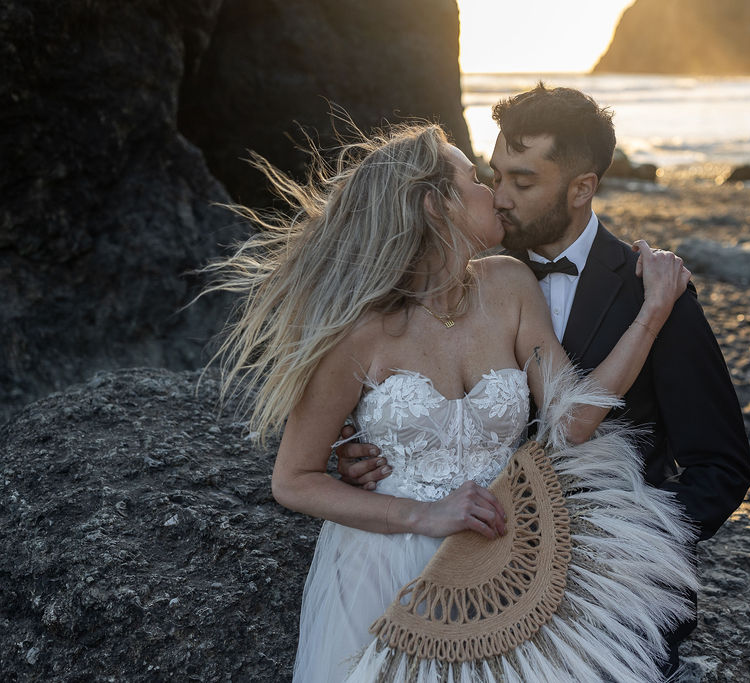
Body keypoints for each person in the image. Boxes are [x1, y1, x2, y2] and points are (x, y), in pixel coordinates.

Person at [205, 122, 697, 681]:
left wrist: (653, 311)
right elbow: (293, 478)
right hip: (384, 564)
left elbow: (575, 419)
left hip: (505, 557)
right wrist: (424, 513)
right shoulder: (358, 330)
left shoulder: (509, 285)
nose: (495, 192)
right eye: (476, 179)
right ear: (435, 205)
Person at [338, 85, 750, 676]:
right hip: (462, 549)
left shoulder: (654, 291)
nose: (500, 198)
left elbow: (720, 465)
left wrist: (632, 544)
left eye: (523, 183)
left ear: (582, 188)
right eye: (494, 175)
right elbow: (402, 376)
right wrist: (361, 448)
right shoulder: (465, 277)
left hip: (603, 574)